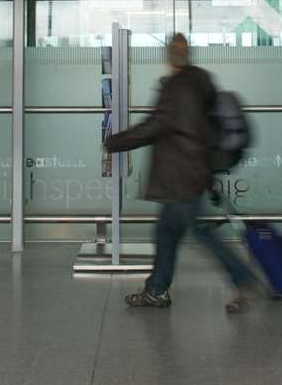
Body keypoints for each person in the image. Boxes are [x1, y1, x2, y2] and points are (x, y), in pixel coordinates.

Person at [104, 33, 257, 313]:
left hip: (181, 176)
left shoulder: (177, 87)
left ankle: (244, 280)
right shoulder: (201, 81)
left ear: (168, 58)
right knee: (166, 232)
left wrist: (114, 142)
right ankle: (156, 290)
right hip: (193, 172)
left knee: (201, 234)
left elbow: (156, 125)